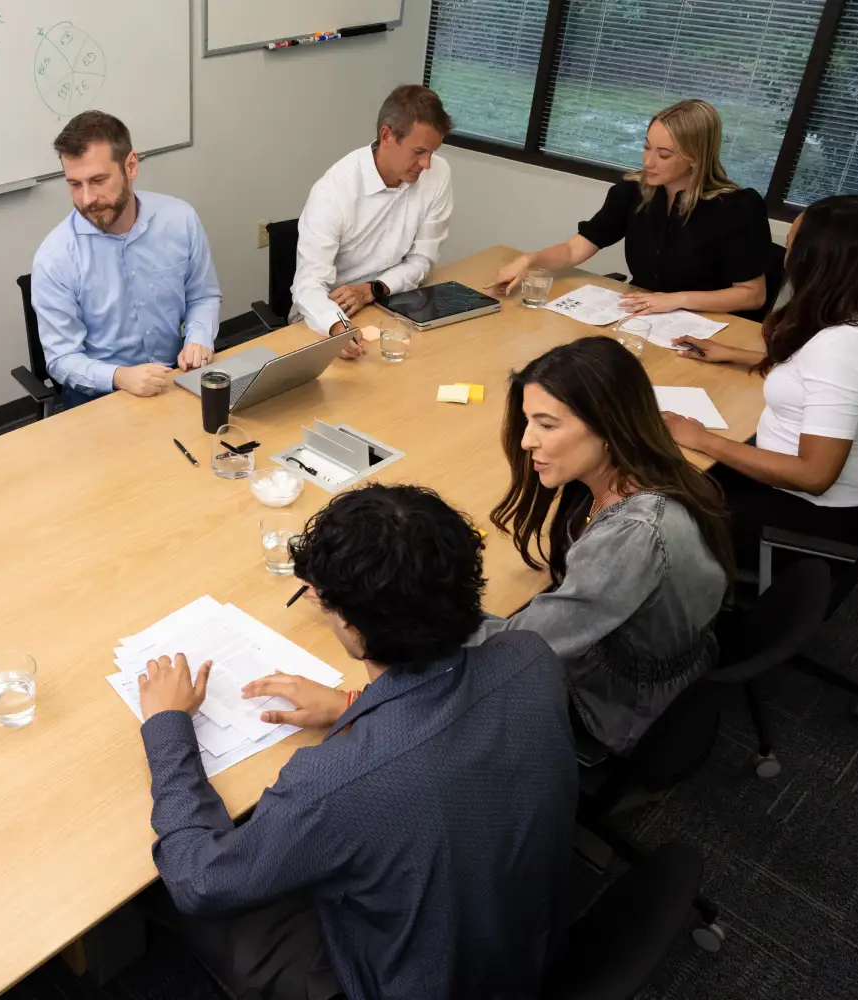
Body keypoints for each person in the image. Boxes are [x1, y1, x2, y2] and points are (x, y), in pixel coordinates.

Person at [136, 484, 577, 1000]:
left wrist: (167, 725)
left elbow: (200, 880)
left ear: (348, 622)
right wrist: (354, 704)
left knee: (178, 894)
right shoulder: (530, 657)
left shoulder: (333, 780)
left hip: (410, 980)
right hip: (521, 943)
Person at [475, 337, 733, 755]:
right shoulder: (649, 472)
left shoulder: (632, 535)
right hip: (653, 657)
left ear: (608, 425)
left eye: (547, 424)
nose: (526, 441)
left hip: (625, 705)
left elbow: (522, 646)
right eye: (527, 421)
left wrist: (414, 611)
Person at [664, 194, 858, 565]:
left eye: (792, 243)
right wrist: (739, 355)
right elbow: (816, 380)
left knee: (646, 498)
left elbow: (814, 474)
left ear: (818, 262)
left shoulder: (844, 348)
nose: (786, 253)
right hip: (791, 486)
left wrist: (702, 438)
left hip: (802, 516)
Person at [489, 99, 770, 319]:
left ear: (696, 158)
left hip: (705, 327)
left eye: (663, 154)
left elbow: (751, 295)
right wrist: (528, 260)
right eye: (647, 148)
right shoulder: (633, 192)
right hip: (641, 316)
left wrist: (677, 299)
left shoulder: (737, 208)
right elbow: (575, 249)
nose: (648, 162)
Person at [31, 110, 222, 408]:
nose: (86, 199)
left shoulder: (179, 219)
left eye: (98, 180)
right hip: (98, 395)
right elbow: (61, 359)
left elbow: (203, 295)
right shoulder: (55, 257)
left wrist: (199, 338)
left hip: (175, 376)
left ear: (130, 166)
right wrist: (119, 377)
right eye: (74, 184)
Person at [291, 84, 455, 357]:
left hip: (391, 304)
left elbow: (422, 261)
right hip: (329, 316)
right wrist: (337, 328)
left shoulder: (438, 173)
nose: (427, 164)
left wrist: (374, 289)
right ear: (387, 135)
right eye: (418, 152)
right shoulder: (334, 191)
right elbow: (308, 286)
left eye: (433, 152)